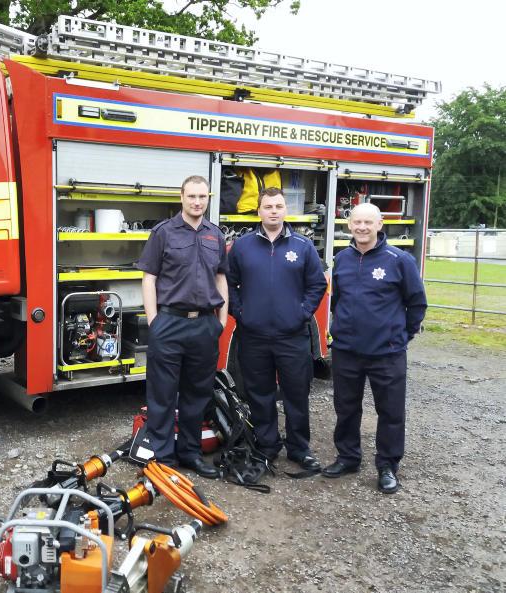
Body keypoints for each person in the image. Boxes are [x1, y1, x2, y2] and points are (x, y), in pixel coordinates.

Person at [322, 203, 427, 493]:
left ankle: (387, 465)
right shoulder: (341, 259)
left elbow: (416, 302)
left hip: (387, 353)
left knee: (391, 411)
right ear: (349, 225)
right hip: (346, 350)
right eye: (357, 222)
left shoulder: (399, 260)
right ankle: (348, 456)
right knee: (346, 407)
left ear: (380, 225)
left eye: (369, 222)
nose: (363, 227)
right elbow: (338, 300)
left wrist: (401, 336)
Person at [226, 187, 327, 471]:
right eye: (268, 206)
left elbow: (317, 284)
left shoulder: (302, 246)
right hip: (253, 337)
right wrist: (241, 312)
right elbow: (229, 284)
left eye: (278, 206)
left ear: (285, 210)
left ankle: (299, 448)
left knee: (296, 393)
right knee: (260, 394)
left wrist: (302, 312)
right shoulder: (242, 247)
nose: (273, 211)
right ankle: (267, 446)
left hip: (292, 337)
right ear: (259, 211)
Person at [136, 175, 228, 479]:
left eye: (202, 196)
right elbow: (148, 277)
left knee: (197, 394)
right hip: (170, 323)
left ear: (208, 197)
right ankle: (163, 457)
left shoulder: (215, 235)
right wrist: (154, 321)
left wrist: (222, 320)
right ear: (181, 197)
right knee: (162, 394)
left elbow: (220, 277)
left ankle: (190, 453)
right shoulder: (163, 233)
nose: (197, 202)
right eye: (192, 196)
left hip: (204, 325)